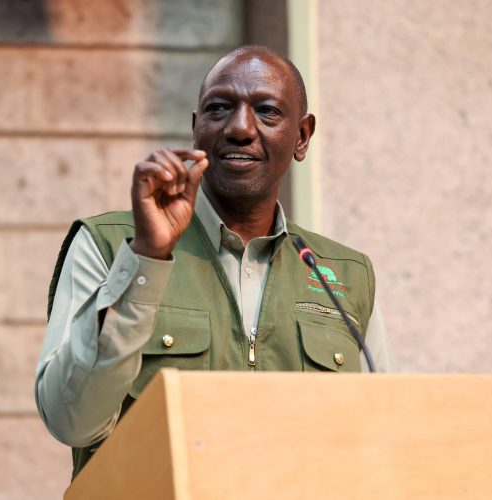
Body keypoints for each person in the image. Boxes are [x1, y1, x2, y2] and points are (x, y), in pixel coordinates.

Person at [35, 45, 397, 477]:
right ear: (196, 128)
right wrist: (147, 258)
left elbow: (381, 436)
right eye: (220, 108)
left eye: (266, 111)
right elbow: (71, 420)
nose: (240, 128)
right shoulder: (110, 245)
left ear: (301, 137)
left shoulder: (345, 274)